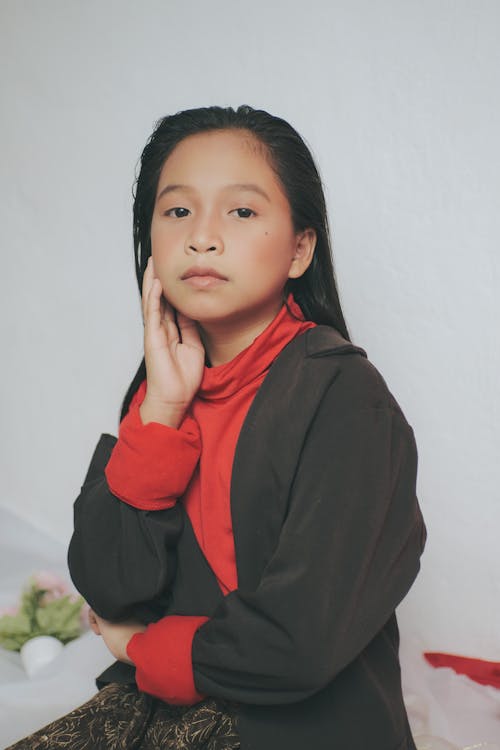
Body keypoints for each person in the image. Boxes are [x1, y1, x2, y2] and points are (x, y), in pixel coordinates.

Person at [9, 105, 426, 750]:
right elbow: (110, 584)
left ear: (299, 249)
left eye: (242, 211)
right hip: (163, 709)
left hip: (295, 730)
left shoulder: (346, 401)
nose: (202, 237)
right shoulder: (160, 388)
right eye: (177, 212)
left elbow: (299, 642)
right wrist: (161, 415)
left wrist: (147, 648)